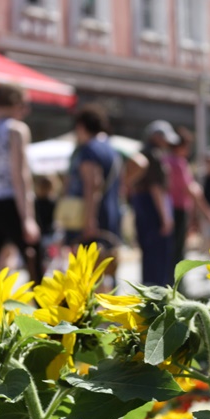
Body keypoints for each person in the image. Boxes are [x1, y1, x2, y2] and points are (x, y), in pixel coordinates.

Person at [0, 83, 43, 283]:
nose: (26, 110)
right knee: (34, 263)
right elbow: (20, 174)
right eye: (24, 104)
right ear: (15, 103)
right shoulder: (16, 130)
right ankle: (44, 312)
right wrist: (28, 218)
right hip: (11, 202)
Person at [64, 105, 122, 286]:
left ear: (81, 126)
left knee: (88, 271)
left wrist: (89, 219)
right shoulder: (111, 150)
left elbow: (92, 185)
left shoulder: (89, 150)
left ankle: (94, 312)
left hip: (90, 216)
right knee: (104, 269)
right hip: (109, 214)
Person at [131, 120, 176, 286]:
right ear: (156, 137)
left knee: (148, 253)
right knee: (158, 255)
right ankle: (157, 296)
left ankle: (149, 291)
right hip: (152, 208)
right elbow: (156, 188)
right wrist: (166, 217)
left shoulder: (142, 153)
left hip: (142, 206)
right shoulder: (154, 155)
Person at [165, 127, 210, 270]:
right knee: (178, 250)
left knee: (170, 248)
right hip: (178, 209)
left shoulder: (165, 159)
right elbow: (191, 190)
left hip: (168, 208)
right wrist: (207, 211)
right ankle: (177, 284)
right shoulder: (179, 163)